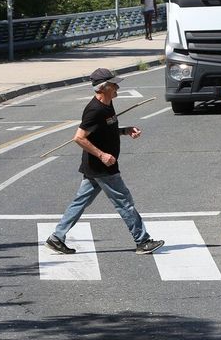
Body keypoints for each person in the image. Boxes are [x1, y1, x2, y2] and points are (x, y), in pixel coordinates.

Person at [45, 68, 165, 256]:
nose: (117, 86)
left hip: (97, 167)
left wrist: (125, 130)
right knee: (124, 201)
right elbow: (79, 137)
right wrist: (102, 155)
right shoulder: (95, 110)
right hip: (102, 166)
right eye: (114, 84)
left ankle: (56, 238)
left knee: (80, 202)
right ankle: (142, 241)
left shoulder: (107, 104)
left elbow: (105, 130)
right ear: (104, 87)